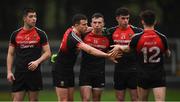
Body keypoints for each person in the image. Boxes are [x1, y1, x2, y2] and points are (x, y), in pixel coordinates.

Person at [52, 13, 116, 101]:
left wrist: (101, 28)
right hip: (61, 70)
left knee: (70, 100)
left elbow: (90, 28)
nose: (87, 27)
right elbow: (90, 50)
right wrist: (107, 55)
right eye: (84, 25)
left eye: (87, 24)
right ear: (76, 25)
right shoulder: (73, 37)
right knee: (64, 100)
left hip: (69, 70)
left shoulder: (74, 30)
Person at [112, 10, 171, 101]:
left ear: (142, 21)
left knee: (142, 100)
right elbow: (167, 54)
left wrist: (119, 46)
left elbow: (127, 49)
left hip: (142, 74)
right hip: (158, 74)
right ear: (155, 21)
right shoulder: (162, 37)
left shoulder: (137, 37)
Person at [7, 7, 51, 101]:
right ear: (24, 18)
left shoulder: (41, 34)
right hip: (19, 73)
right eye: (31, 16)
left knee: (34, 100)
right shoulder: (15, 34)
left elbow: (48, 53)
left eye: (35, 16)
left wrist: (37, 62)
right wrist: (9, 71)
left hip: (34, 74)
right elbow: (10, 54)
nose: (34, 18)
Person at [107, 7, 142, 101]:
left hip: (134, 69)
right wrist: (109, 56)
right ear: (117, 18)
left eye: (127, 18)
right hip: (119, 69)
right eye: (123, 18)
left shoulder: (137, 31)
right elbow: (106, 48)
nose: (126, 21)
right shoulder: (111, 32)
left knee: (135, 99)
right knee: (120, 99)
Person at [79, 13, 109, 101]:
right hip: (85, 72)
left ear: (103, 24)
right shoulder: (84, 35)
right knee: (86, 99)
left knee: (96, 99)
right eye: (95, 22)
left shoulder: (108, 36)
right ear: (91, 24)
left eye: (99, 23)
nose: (97, 25)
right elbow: (73, 29)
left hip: (99, 73)